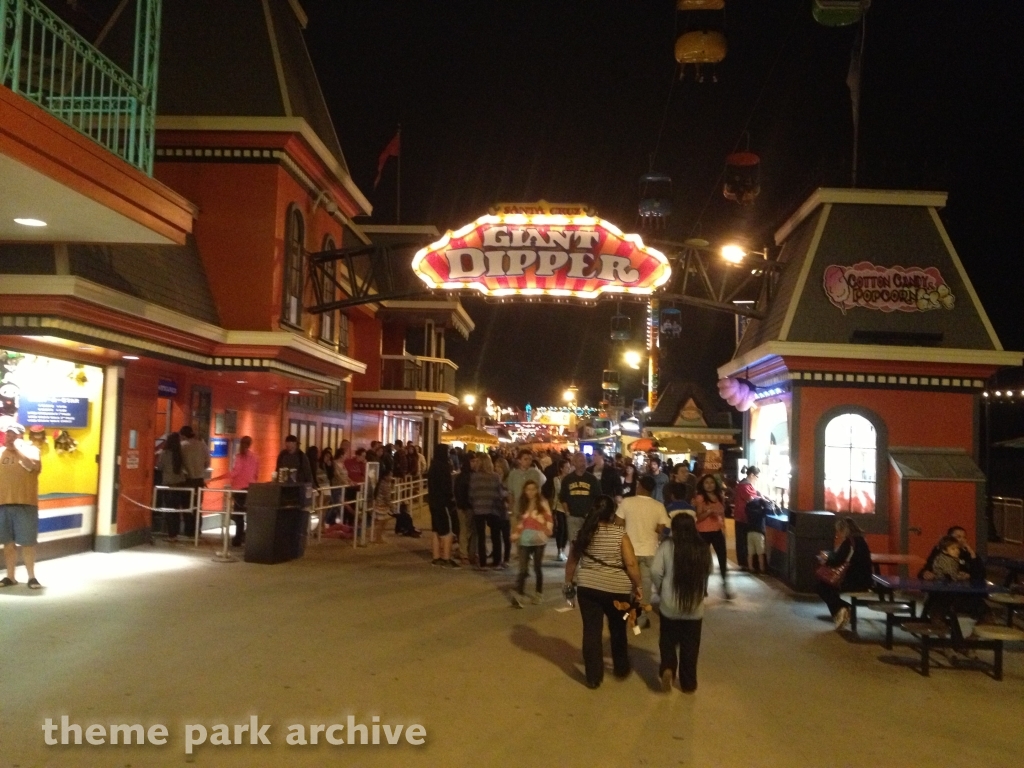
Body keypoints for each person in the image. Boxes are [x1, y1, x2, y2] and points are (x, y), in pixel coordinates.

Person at [564, 495, 644, 689]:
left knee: (591, 631)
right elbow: (631, 563)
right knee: (618, 630)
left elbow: (572, 561)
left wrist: (568, 583)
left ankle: (593, 677)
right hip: (617, 590)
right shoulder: (620, 534)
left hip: (588, 588)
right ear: (611, 514)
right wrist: (638, 586)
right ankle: (621, 668)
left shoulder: (584, 532)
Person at [651, 513, 711, 693]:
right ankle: (688, 683)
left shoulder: (667, 546)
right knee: (690, 646)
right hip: (694, 606)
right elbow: (707, 572)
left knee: (667, 640)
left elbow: (655, 570)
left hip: (669, 605)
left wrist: (661, 587)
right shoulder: (702, 547)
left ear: (674, 529)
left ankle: (668, 668)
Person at [615, 476, 670, 628]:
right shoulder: (658, 506)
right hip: (650, 551)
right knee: (645, 587)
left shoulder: (627, 502)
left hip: (629, 551)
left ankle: (627, 614)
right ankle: (641, 618)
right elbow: (662, 528)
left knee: (628, 584)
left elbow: (618, 524)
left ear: (639, 486)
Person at [0, 421, 43, 589]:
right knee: (7, 543)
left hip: (26, 503)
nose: (9, 437)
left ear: (20, 436)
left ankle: (32, 577)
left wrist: (18, 450)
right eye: (7, 434)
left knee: (27, 542)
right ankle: (10, 576)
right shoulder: (1, 452)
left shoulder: (32, 451)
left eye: (13, 434)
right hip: (3, 504)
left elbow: (32, 468)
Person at [814, 516, 872, 630]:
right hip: (864, 580)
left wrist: (825, 559)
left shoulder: (849, 542)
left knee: (821, 587)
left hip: (852, 580)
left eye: (839, 530)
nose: (839, 533)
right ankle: (841, 611)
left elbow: (837, 561)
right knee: (827, 589)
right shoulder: (862, 541)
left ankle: (842, 609)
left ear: (844, 529)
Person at [510, 479, 554, 606]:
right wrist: (516, 534)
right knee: (523, 569)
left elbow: (549, 518)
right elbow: (520, 522)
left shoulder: (542, 503)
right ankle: (519, 594)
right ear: (524, 490)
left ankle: (538, 593)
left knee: (537, 567)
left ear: (537, 490)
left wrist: (548, 530)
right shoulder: (522, 503)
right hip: (525, 539)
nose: (531, 492)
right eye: (528, 489)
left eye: (533, 489)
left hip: (539, 539)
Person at [694, 474, 733, 599]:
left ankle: (725, 584)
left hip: (717, 531)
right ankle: (703, 586)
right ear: (702, 485)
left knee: (722, 558)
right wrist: (709, 512)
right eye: (706, 483)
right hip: (703, 532)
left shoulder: (720, 497)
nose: (709, 485)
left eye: (711, 482)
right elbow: (698, 518)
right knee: (704, 560)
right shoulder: (700, 498)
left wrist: (723, 527)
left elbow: (722, 515)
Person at [469, 454, 506, 569]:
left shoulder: (474, 477)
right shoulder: (495, 477)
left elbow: (471, 494)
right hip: (493, 508)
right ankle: (496, 562)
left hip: (478, 509)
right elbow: (500, 493)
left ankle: (483, 563)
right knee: (495, 536)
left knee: (481, 536)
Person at [558, 452, 601, 547]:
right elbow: (563, 497)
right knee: (574, 545)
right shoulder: (568, 479)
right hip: (573, 517)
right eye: (580, 461)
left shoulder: (592, 479)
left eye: (584, 461)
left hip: (588, 517)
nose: (583, 463)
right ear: (574, 463)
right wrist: (567, 513)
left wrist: (593, 513)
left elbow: (598, 497)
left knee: (588, 544)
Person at [427, 447, 460, 568]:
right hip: (443, 503)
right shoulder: (444, 467)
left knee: (436, 530)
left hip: (433, 502)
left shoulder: (432, 467)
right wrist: (451, 501)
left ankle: (436, 558)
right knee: (447, 531)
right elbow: (447, 488)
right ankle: (446, 558)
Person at [157, 432, 190, 542]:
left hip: (168, 485)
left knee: (169, 510)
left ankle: (171, 535)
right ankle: (175, 533)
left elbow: (160, 466)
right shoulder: (181, 453)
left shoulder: (165, 453)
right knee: (176, 510)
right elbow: (185, 468)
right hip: (180, 484)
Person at [179, 425, 209, 538]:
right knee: (197, 506)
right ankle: (197, 530)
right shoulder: (202, 445)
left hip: (187, 480)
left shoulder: (182, 446)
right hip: (199, 480)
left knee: (187, 506)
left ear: (183, 435)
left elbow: (178, 464)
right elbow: (207, 463)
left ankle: (188, 530)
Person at [228, 436, 259, 546]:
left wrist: (228, 478)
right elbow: (256, 474)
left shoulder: (238, 457)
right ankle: (249, 537)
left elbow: (235, 472)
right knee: (249, 514)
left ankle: (238, 538)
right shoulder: (255, 457)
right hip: (251, 488)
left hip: (239, 489)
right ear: (250, 444)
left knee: (238, 515)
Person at [732, 466, 761, 572]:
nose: (757, 479)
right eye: (757, 476)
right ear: (752, 475)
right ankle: (744, 563)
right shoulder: (744, 486)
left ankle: (745, 563)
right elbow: (750, 498)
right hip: (742, 517)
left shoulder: (745, 484)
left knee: (743, 540)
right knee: (743, 541)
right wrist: (760, 498)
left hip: (743, 516)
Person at [544, 457, 572, 561]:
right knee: (561, 528)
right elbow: (560, 491)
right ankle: (559, 550)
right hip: (559, 507)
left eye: (569, 467)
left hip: (569, 508)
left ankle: (563, 549)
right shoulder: (557, 479)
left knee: (566, 530)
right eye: (566, 467)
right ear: (561, 469)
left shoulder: (571, 479)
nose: (568, 469)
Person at [506, 449, 546, 522]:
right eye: (525, 459)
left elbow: (538, 491)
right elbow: (510, 493)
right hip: (517, 509)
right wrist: (511, 510)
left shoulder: (535, 473)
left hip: (532, 509)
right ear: (519, 460)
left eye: (530, 459)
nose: (528, 462)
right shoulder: (513, 474)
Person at [454, 453, 477, 565]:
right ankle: (464, 554)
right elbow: (459, 493)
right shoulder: (463, 476)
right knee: (464, 530)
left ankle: (471, 553)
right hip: (464, 507)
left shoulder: (475, 475)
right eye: (472, 461)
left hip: (473, 507)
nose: (475, 463)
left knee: (473, 531)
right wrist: (463, 505)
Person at [371, 466, 396, 543]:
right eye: (390, 475)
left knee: (382, 522)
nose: (391, 477)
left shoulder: (382, 483)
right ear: (386, 476)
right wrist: (392, 506)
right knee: (381, 523)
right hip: (382, 506)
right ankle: (378, 538)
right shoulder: (385, 485)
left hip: (380, 504)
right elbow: (387, 497)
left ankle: (378, 537)